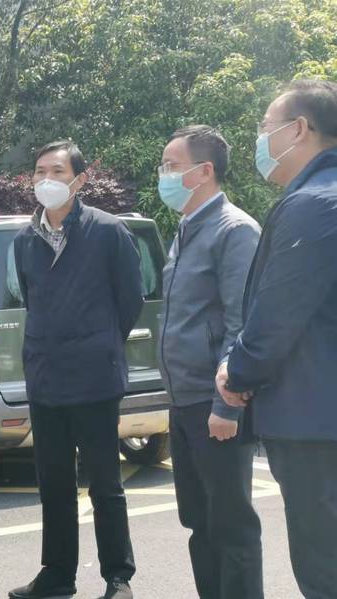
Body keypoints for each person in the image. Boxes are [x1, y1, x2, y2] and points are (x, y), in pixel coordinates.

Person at [216, 79, 337, 599]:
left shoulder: (313, 204)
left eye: (266, 126)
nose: (261, 138)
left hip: (315, 423)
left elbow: (276, 316)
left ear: (299, 129)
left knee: (324, 568)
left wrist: (236, 373)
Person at [9, 140, 144, 599]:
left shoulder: (108, 231)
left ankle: (117, 577)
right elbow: (33, 301)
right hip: (45, 378)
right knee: (54, 485)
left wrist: (100, 342)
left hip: (95, 379)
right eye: (39, 171)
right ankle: (57, 574)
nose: (46, 179)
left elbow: (130, 300)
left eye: (57, 171)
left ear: (80, 180)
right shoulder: (24, 240)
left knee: (105, 484)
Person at [157, 125, 263, 598]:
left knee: (231, 526)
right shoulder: (185, 230)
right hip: (183, 401)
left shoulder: (234, 230)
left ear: (204, 172)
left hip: (215, 402)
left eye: (171, 166)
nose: (163, 175)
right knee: (199, 523)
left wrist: (227, 405)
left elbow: (243, 324)